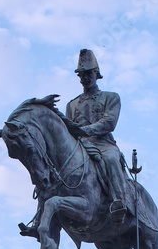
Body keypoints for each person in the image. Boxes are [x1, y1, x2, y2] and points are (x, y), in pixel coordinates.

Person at [18, 48, 129, 238]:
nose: (85, 78)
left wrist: (83, 131)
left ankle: (119, 201)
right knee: (50, 171)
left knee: (111, 159)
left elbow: (108, 123)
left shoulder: (111, 97)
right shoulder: (72, 104)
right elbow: (68, 128)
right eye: (81, 75)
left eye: (88, 74)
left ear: (96, 74)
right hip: (79, 145)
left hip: (103, 143)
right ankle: (38, 221)